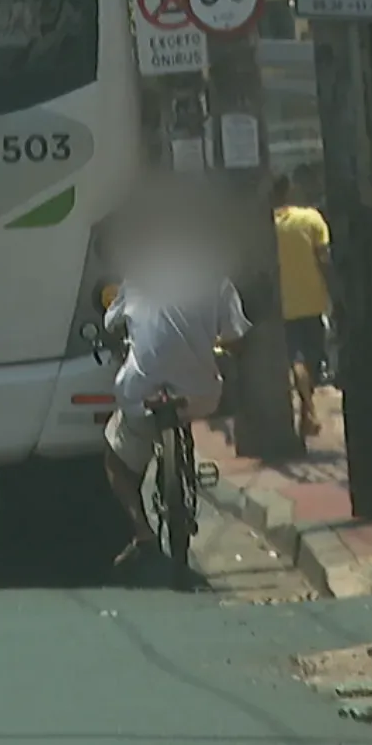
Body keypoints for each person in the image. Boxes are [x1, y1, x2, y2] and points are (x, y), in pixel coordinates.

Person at [100, 220, 252, 569]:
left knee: (115, 457)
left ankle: (141, 529)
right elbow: (236, 338)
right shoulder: (216, 279)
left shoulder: (137, 278)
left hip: (142, 394)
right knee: (199, 400)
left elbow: (112, 325)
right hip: (199, 392)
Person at [273, 174, 333, 437]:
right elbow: (324, 260)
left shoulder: (268, 226)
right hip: (313, 302)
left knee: (298, 361)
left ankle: (306, 412)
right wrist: (334, 292)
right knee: (310, 361)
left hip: (284, 306)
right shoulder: (311, 220)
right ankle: (308, 409)